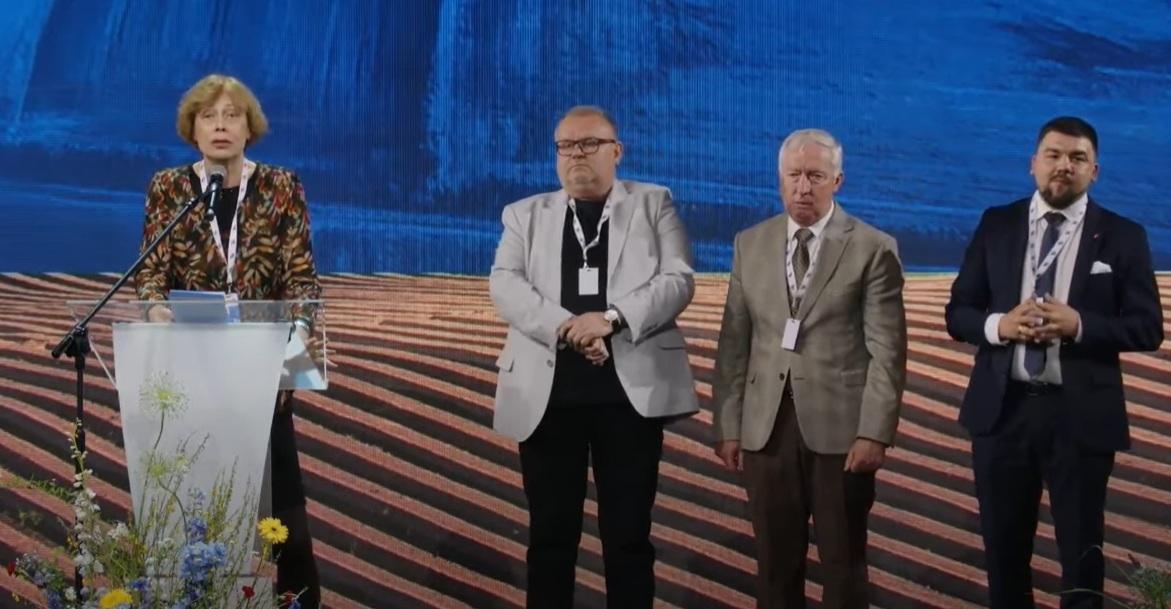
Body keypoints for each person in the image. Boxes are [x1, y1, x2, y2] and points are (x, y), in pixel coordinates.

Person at [945, 116, 1164, 609]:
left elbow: (1148, 327)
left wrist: (1080, 325)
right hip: (1002, 413)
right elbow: (958, 312)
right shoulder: (997, 223)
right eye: (1054, 155)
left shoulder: (1123, 236)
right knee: (1004, 557)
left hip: (1080, 418)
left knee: (1082, 558)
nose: (1065, 165)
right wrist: (1000, 326)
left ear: (1095, 171)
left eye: (1078, 158)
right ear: (1033, 164)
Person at [488, 105, 699, 608]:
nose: (576, 155)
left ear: (616, 151)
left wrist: (610, 319)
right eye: (566, 146)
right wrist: (568, 326)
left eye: (589, 144)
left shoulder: (654, 203)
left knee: (628, 540)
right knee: (550, 540)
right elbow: (504, 284)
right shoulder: (524, 214)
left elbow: (678, 280)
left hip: (628, 400)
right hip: (547, 400)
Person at [134, 74, 322, 608]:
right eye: (209, 116)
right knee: (197, 502)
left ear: (249, 127)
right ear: (192, 129)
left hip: (262, 365)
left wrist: (296, 350)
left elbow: (302, 280)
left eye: (231, 115)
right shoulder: (169, 188)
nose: (220, 126)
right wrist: (155, 310)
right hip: (193, 367)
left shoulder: (281, 186)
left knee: (283, 509)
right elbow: (151, 271)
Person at [711, 128, 907, 609]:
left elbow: (888, 351)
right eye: (794, 175)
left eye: (815, 176)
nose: (803, 187)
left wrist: (874, 433)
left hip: (841, 434)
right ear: (779, 179)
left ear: (837, 181)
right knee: (775, 566)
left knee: (843, 565)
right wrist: (728, 424)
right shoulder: (749, 243)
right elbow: (734, 343)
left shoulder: (873, 247)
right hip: (766, 431)